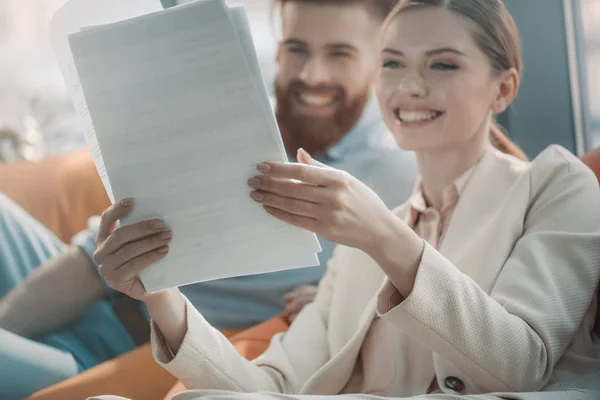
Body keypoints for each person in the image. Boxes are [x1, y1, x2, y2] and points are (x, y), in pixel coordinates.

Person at [92, 0, 600, 399]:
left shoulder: (557, 184)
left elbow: (521, 366)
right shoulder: (361, 243)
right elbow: (270, 388)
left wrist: (383, 236)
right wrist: (159, 294)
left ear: (503, 89)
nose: (410, 85)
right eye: (393, 63)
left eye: (442, 65)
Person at [0, 1, 418, 398]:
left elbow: (430, 286)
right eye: (296, 49)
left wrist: (349, 298)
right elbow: (91, 257)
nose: (311, 73)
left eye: (340, 53)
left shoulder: (393, 175)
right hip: (85, 290)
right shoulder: (236, 116)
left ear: (382, 60)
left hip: (120, 352)